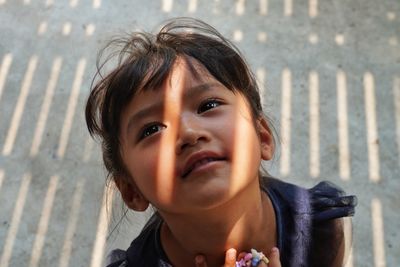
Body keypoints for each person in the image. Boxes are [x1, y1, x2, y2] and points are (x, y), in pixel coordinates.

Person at [85, 18, 357, 267]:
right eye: (152, 129)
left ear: (262, 136)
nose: (189, 133)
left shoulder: (318, 230)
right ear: (131, 190)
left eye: (208, 105)